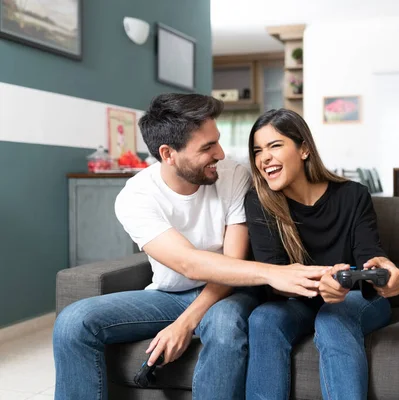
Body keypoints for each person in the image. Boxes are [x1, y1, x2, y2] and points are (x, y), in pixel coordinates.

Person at [52, 94, 330, 400]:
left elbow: (231, 261)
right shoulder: (136, 197)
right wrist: (273, 274)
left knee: (224, 327)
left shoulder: (234, 176)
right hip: (169, 295)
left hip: (232, 289)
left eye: (218, 141)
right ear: (168, 154)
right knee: (73, 322)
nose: (221, 153)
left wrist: (187, 322)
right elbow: (187, 263)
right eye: (207, 147)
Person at [244, 109, 399, 400]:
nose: (263, 158)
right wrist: (321, 283)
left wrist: (384, 268)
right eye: (257, 151)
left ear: (304, 149)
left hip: (356, 300)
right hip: (296, 303)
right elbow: (273, 273)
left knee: (333, 317)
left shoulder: (353, 195)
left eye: (275, 146)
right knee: (263, 319)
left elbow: (370, 255)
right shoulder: (260, 202)